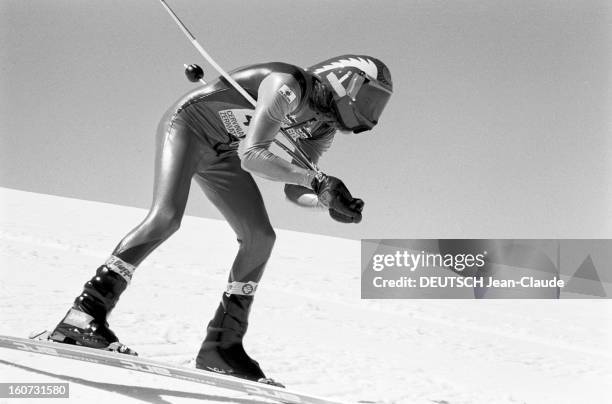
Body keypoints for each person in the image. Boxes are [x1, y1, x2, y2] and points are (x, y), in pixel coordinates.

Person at [47, 54, 393, 385]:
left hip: (221, 153)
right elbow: (253, 154)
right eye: (371, 101)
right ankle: (84, 313)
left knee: (261, 237)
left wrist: (326, 201)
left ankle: (221, 346)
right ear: (344, 80)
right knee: (166, 218)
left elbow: (292, 189)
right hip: (187, 127)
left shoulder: (321, 129)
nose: (370, 115)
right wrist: (315, 182)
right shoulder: (286, 85)